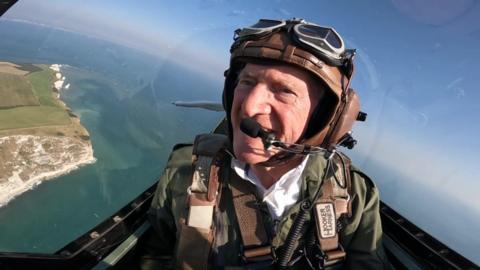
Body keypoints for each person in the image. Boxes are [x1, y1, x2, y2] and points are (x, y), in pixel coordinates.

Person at [140, 18, 390, 269]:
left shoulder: (354, 194)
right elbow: (156, 254)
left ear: (325, 118)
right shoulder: (188, 167)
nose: (249, 106)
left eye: (284, 91)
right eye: (247, 82)